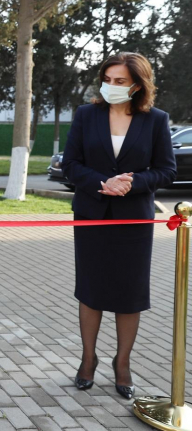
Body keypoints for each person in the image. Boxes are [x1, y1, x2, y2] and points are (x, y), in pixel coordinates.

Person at [62, 52, 176, 399]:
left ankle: (122, 363)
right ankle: (88, 360)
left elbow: (166, 170)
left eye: (120, 81)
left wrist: (133, 183)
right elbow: (70, 164)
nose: (110, 86)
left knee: (129, 295)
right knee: (92, 291)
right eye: (107, 79)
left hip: (134, 221)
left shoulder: (156, 120)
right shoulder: (86, 115)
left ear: (138, 85)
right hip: (92, 216)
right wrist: (103, 182)